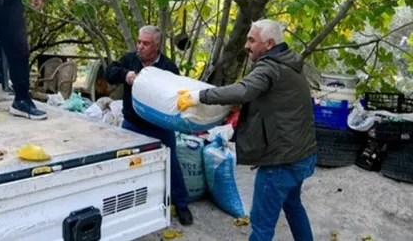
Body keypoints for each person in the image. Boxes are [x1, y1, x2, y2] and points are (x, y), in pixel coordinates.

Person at [177, 19, 317, 241]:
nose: (246, 45)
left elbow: (243, 91)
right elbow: (271, 100)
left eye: (252, 40)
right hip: (302, 154)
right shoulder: (289, 62)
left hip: (281, 162)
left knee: (261, 226)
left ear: (269, 43)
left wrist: (198, 96)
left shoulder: (269, 67)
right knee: (293, 206)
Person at [105, 25, 194, 226]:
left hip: (159, 127)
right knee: (127, 165)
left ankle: (181, 205)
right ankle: (126, 206)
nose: (140, 47)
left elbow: (176, 96)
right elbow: (109, 72)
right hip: (132, 124)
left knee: (171, 165)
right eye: (139, 42)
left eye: (146, 43)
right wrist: (126, 75)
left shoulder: (168, 67)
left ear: (156, 46)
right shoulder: (130, 60)